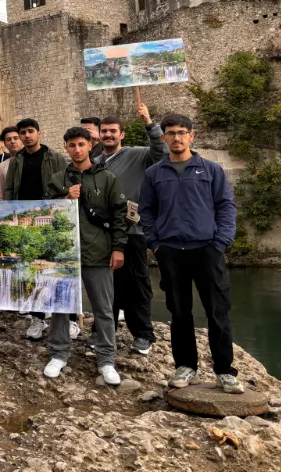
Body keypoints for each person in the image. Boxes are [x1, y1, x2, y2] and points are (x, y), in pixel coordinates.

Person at [138, 114, 244, 394]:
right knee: (179, 311)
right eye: (170, 133)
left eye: (181, 132)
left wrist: (221, 242)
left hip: (207, 249)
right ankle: (186, 366)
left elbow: (226, 207)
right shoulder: (154, 174)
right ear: (164, 138)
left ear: (191, 136)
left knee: (218, 311)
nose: (176, 137)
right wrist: (155, 243)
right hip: (170, 251)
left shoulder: (210, 170)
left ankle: (224, 371)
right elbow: (146, 211)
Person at [42, 127, 127, 386]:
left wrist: (119, 248)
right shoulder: (58, 179)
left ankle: (106, 359)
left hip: (98, 252)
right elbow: (44, 211)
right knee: (60, 306)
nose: (77, 149)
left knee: (103, 308)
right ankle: (59, 353)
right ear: (66, 148)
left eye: (81, 144)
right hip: (64, 253)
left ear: (90, 145)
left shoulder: (107, 178)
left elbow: (119, 214)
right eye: (71, 145)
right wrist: (66, 197)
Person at [94, 103, 166, 356]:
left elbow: (161, 152)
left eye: (113, 131)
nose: (108, 135)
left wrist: (149, 122)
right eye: (104, 131)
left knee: (137, 284)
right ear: (99, 135)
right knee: (106, 284)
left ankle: (143, 334)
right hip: (102, 234)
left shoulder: (137, 155)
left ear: (121, 134)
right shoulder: (95, 161)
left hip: (133, 232)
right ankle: (105, 331)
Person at [3, 118, 67, 340]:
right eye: (23, 132)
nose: (27, 136)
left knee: (56, 268)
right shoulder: (16, 160)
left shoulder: (55, 158)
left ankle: (64, 320)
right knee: (31, 269)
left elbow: (65, 186)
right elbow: (10, 189)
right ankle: (37, 318)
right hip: (25, 222)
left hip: (50, 220)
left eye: (30, 131)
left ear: (39, 133)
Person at [0, 127, 23, 200]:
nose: (12, 141)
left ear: (21, 140)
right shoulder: (1, 167)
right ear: (4, 143)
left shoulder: (32, 161)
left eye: (16, 138)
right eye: (8, 140)